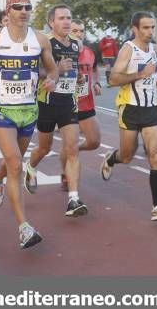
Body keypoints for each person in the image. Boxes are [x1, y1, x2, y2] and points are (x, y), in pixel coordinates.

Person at [0, 0, 58, 249]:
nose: (24, 10)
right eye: (18, 6)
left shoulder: (40, 39)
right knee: (16, 165)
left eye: (28, 6)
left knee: (12, 162)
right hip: (1, 110)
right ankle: (24, 228)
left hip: (28, 110)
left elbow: (51, 69)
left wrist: (52, 79)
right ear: (8, 11)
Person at [100, 11, 157, 221]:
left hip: (151, 108)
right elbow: (113, 79)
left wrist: (156, 80)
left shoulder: (153, 48)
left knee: (156, 155)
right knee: (127, 155)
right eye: (146, 27)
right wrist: (141, 74)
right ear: (135, 29)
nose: (151, 31)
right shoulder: (127, 49)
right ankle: (112, 158)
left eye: (152, 27)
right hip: (130, 108)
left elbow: (150, 71)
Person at [24, 4, 89, 218]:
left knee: (72, 150)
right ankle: (31, 167)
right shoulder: (44, 43)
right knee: (44, 148)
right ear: (52, 22)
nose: (67, 22)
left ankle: (73, 198)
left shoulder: (77, 45)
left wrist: (77, 77)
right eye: (61, 18)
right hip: (46, 102)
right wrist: (56, 71)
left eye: (69, 17)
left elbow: (74, 69)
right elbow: (34, 70)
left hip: (68, 103)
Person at [62, 19, 102, 190]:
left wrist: (97, 83)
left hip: (86, 103)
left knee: (94, 142)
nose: (79, 34)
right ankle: (66, 175)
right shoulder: (61, 52)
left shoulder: (89, 52)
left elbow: (94, 69)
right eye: (75, 31)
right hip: (67, 104)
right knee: (66, 146)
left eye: (81, 31)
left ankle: (71, 150)